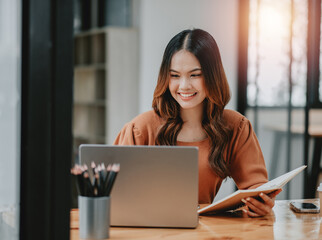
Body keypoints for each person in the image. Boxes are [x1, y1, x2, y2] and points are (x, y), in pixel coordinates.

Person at [113, 28, 281, 217]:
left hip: (206, 231)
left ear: (212, 75)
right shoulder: (140, 129)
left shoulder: (236, 126)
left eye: (195, 75)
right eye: (175, 75)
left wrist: (261, 203)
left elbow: (255, 186)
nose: (184, 86)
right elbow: (113, 193)